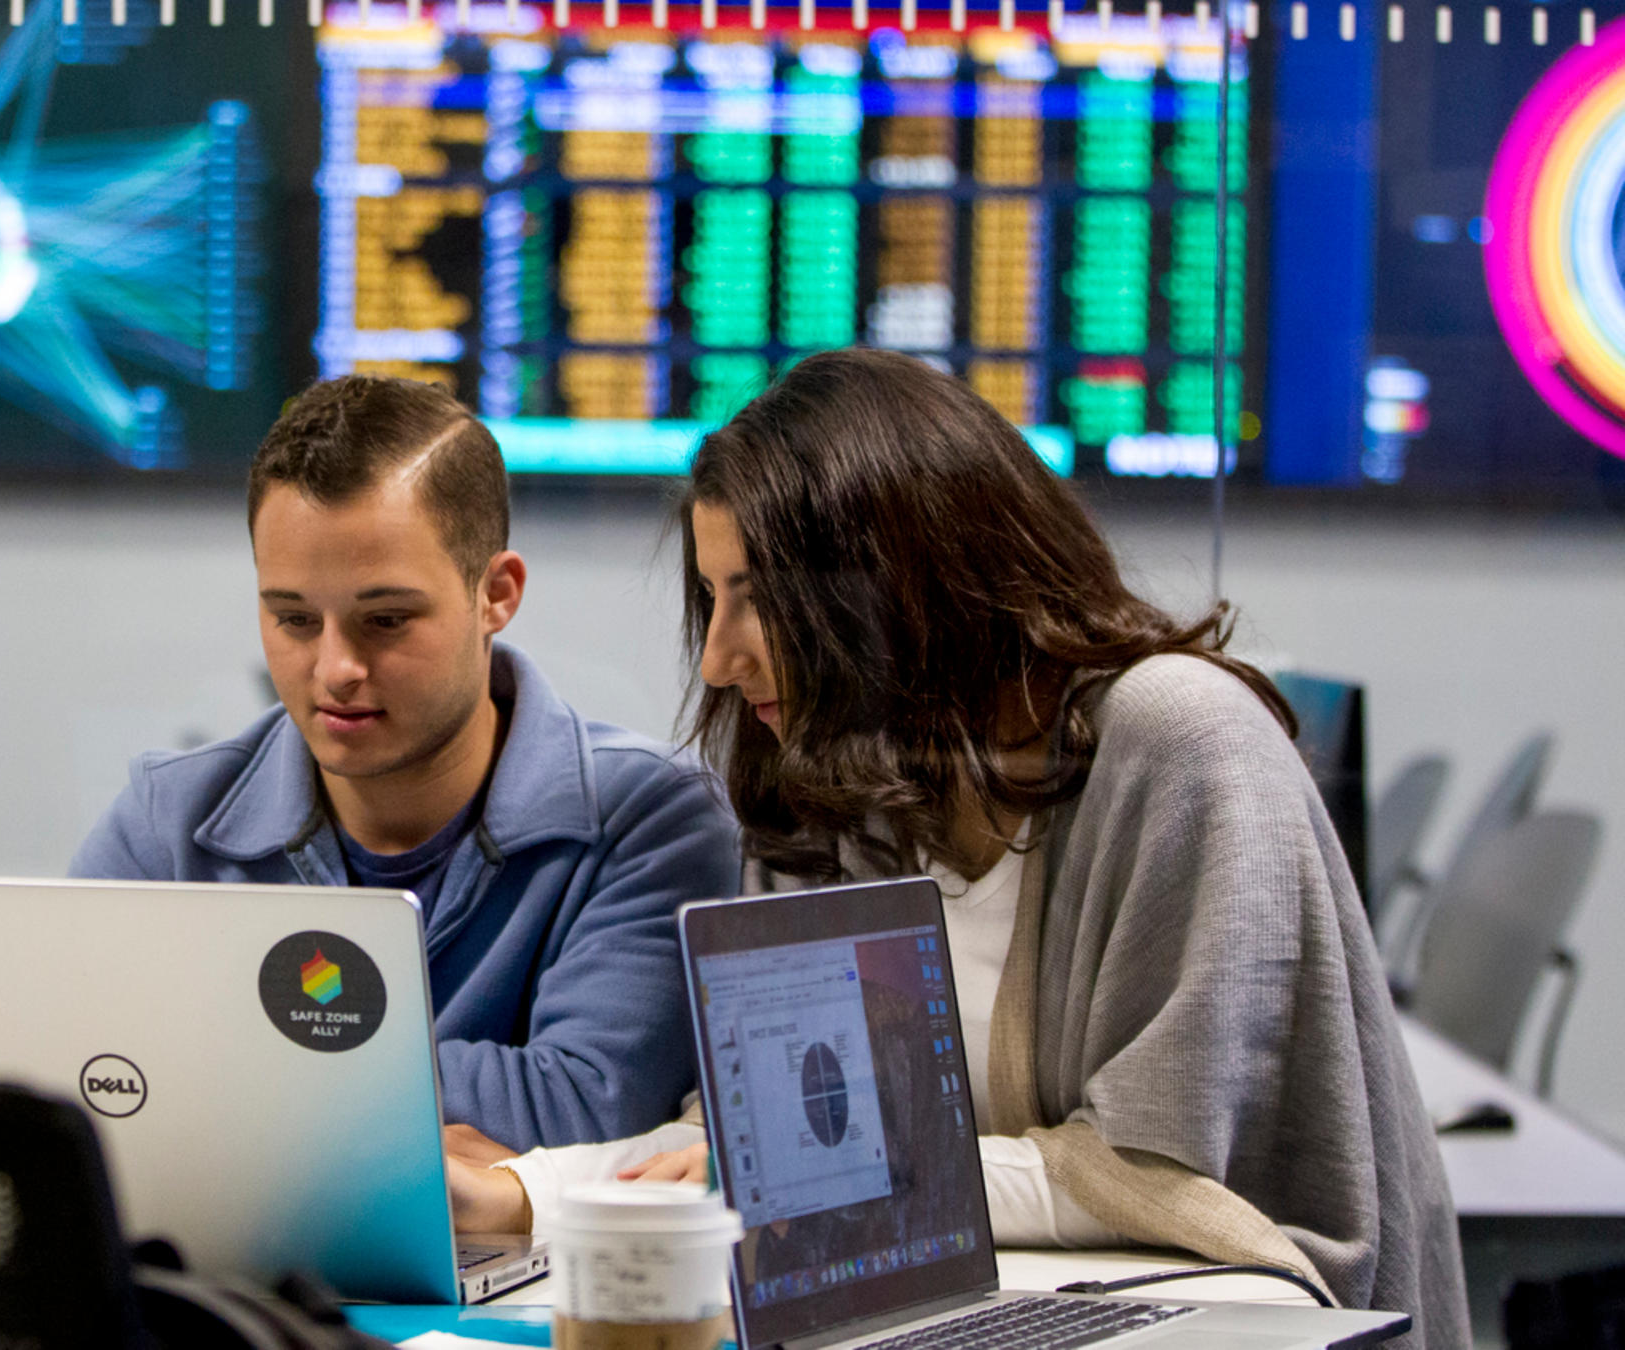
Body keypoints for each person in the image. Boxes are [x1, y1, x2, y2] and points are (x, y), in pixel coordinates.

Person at [447, 349, 1464, 1347]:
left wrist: (805, 1173)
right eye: (713, 600)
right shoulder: (853, 777)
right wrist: (523, 1195)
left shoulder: (1177, 739)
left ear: (902, 582)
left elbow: (1160, 1174)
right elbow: (751, 1148)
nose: (718, 658)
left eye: (756, 596)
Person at [71, 375, 741, 1149]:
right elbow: (72, 1070)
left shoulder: (651, 817)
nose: (335, 669)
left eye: (385, 619)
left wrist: (223, 1074)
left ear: (496, 593)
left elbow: (584, 1105)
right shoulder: (169, 822)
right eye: (292, 618)